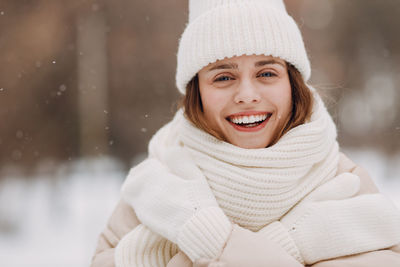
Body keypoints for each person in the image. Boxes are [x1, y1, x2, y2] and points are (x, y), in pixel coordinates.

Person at [91, 0, 400, 266]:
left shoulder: (344, 184)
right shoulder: (157, 183)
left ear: (293, 85)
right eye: (223, 77)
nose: (247, 95)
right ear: (196, 91)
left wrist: (205, 237)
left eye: (266, 73)